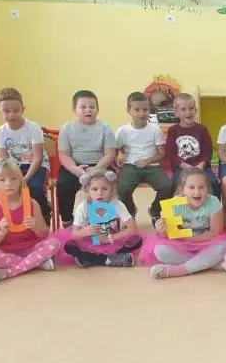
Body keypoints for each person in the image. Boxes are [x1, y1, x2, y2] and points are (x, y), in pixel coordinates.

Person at [0, 158, 61, 284]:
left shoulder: (32, 203)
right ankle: (37, 263)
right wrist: (1, 232)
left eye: (13, 179)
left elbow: (44, 234)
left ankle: (10, 272)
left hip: (32, 247)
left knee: (55, 243)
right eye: (2, 180)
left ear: (20, 180)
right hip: (7, 251)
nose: (8, 183)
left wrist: (35, 227)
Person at [141, 167, 226, 279]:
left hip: (206, 242)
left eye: (201, 187)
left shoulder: (213, 202)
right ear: (182, 190)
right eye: (191, 187)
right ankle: (211, 265)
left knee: (224, 246)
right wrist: (161, 229)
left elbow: (214, 232)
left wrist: (190, 239)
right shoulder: (174, 205)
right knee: (160, 251)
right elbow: (167, 235)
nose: (197, 192)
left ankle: (179, 270)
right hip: (182, 245)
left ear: (207, 188)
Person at [56, 90, 117, 227]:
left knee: (106, 186)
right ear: (74, 109)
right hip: (75, 166)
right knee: (64, 185)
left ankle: (106, 221)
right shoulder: (67, 128)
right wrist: (75, 169)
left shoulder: (105, 127)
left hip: (100, 165)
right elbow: (64, 154)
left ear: (97, 109)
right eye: (83, 107)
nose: (88, 110)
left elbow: (109, 154)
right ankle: (67, 220)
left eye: (92, 107)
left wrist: (97, 169)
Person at [59, 170, 142, 268]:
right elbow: (74, 234)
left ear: (112, 189)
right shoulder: (83, 207)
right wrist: (84, 232)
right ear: (87, 190)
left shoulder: (117, 204)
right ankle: (109, 259)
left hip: (112, 242)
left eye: (105, 189)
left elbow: (132, 228)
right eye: (94, 189)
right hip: (89, 242)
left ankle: (90, 259)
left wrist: (110, 238)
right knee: (69, 245)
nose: (100, 193)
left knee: (137, 240)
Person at [0, 87, 52, 223]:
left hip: (36, 165)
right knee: (4, 187)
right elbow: (2, 159)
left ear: (23, 109)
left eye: (16, 110)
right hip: (15, 166)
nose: (12, 115)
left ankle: (44, 212)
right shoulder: (1, 131)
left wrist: (25, 179)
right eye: (6, 111)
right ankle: (15, 216)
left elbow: (37, 158)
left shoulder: (33, 128)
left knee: (34, 187)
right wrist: (8, 177)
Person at [115, 91, 172, 223]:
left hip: (152, 166)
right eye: (137, 110)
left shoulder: (154, 129)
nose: (142, 113)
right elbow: (116, 149)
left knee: (167, 186)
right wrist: (119, 156)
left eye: (145, 110)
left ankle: (155, 210)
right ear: (129, 110)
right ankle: (130, 211)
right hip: (130, 165)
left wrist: (147, 160)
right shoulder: (122, 131)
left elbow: (162, 154)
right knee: (123, 188)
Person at [165, 92, 219, 197]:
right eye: (183, 109)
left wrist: (201, 165)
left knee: (213, 182)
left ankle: (215, 206)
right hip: (181, 167)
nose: (188, 112)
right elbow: (171, 154)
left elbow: (207, 152)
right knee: (175, 183)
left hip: (202, 167)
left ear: (196, 110)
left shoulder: (202, 129)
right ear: (176, 112)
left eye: (191, 108)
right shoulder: (173, 130)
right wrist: (185, 166)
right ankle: (177, 207)